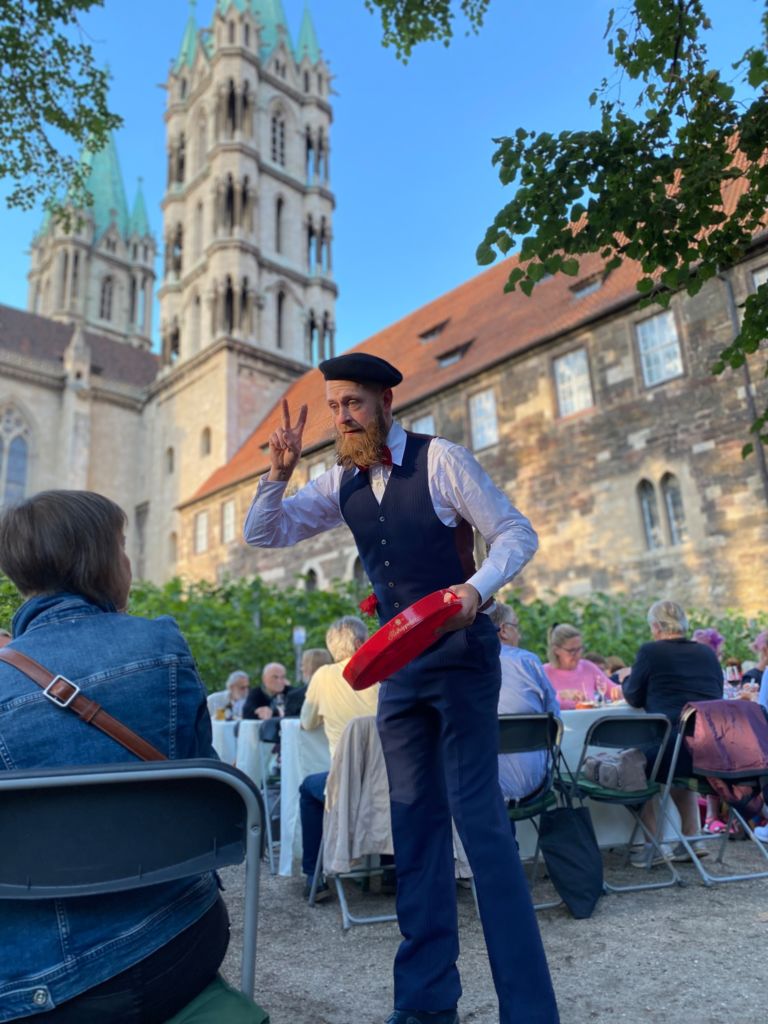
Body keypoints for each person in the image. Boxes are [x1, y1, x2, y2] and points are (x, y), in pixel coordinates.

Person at [243, 352, 559, 1024]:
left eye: (352, 404)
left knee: (482, 828)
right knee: (413, 829)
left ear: (386, 402)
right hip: (400, 670)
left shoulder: (441, 460)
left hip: (463, 658)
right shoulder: (340, 481)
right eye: (334, 407)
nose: (342, 417)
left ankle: (530, 1011)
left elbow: (516, 532)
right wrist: (277, 473)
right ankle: (424, 1006)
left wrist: (476, 590)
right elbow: (263, 533)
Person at [0, 490, 229, 1023]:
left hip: (35, 989)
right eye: (122, 547)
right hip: (179, 943)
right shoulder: (162, 646)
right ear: (100, 560)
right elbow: (206, 797)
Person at [622, 599, 724, 866]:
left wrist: (625, 679)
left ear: (656, 627)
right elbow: (718, 696)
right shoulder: (707, 654)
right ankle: (692, 839)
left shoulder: (651, 652)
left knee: (631, 766)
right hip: (711, 752)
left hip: (673, 748)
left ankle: (654, 845)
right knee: (676, 761)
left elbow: (634, 696)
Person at [298, 616, 380, 900]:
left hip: (347, 785)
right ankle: (388, 873)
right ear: (359, 643)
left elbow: (307, 722)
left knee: (308, 789)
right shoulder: (383, 672)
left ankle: (314, 876)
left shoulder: (323, 676)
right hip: (392, 782)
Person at [490, 603, 560, 802]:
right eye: (516, 626)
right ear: (504, 630)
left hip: (483, 791)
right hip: (535, 786)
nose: (519, 635)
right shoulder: (527, 662)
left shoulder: (466, 666)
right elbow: (554, 717)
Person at [543, 623, 617, 708]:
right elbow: (538, 703)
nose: (577, 655)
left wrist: (622, 687)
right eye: (571, 651)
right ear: (556, 650)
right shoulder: (544, 673)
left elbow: (613, 689)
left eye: (579, 649)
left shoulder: (588, 668)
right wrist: (561, 695)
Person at [284, 646, 333, 717]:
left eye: (302, 665)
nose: (301, 669)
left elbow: (289, 721)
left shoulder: (295, 696)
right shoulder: (340, 691)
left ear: (309, 667)